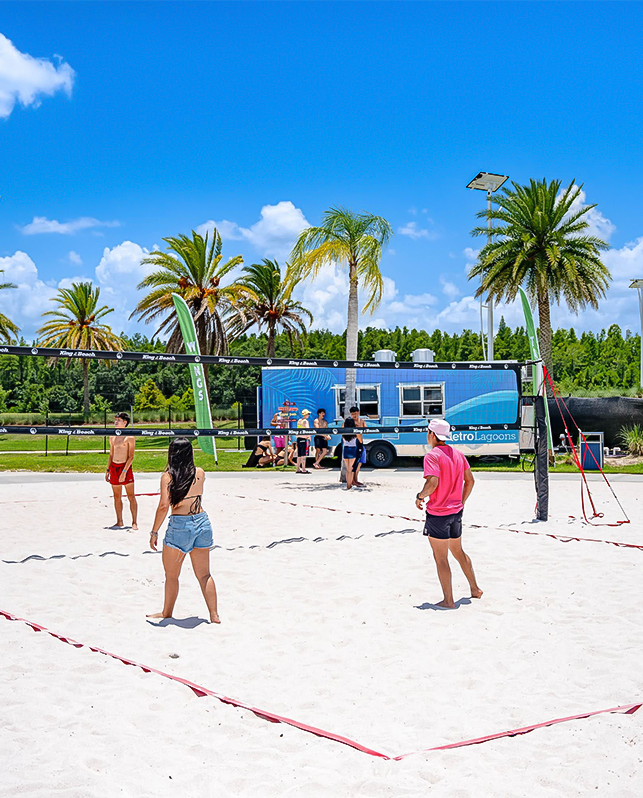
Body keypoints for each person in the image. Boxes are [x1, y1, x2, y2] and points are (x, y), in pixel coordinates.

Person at [147, 437, 220, 624]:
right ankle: (214, 615)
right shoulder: (200, 473)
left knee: (172, 576)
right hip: (202, 522)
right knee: (205, 574)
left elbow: (164, 506)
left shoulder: (168, 477)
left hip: (181, 525)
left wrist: (154, 531)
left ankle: (166, 613)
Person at [415, 418, 482, 609]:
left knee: (441, 558)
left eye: (428, 431)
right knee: (458, 552)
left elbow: (432, 483)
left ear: (432, 435)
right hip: (456, 513)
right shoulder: (458, 454)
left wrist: (419, 496)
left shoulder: (432, 456)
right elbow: (470, 481)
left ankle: (448, 600)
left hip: (438, 514)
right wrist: (461, 502)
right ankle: (475, 589)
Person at [105, 412, 138, 530]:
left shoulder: (129, 437)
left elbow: (131, 456)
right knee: (116, 496)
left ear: (125, 423)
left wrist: (124, 472)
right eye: (115, 420)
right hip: (114, 466)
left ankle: (134, 522)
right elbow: (111, 454)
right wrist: (108, 469)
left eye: (118, 420)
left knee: (131, 496)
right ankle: (119, 521)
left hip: (125, 467)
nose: (115, 422)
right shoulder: (112, 436)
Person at [349, 405, 368, 487]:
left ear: (358, 413)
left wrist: (360, 429)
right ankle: (352, 480)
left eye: (356, 413)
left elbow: (366, 430)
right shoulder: (349, 422)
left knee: (360, 462)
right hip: (353, 443)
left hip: (360, 443)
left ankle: (356, 479)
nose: (354, 415)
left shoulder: (362, 421)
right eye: (353, 414)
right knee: (354, 463)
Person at [342, 417, 358, 490]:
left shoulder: (343, 431)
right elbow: (359, 439)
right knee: (350, 469)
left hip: (346, 448)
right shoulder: (355, 431)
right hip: (352, 448)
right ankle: (349, 485)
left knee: (348, 469)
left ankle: (348, 485)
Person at [296, 409, 311, 474]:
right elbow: (307, 430)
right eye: (308, 414)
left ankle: (298, 469)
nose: (308, 415)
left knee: (299, 454)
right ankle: (304, 469)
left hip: (298, 438)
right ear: (306, 414)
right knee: (303, 454)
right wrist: (309, 437)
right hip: (304, 438)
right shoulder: (305, 421)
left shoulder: (299, 421)